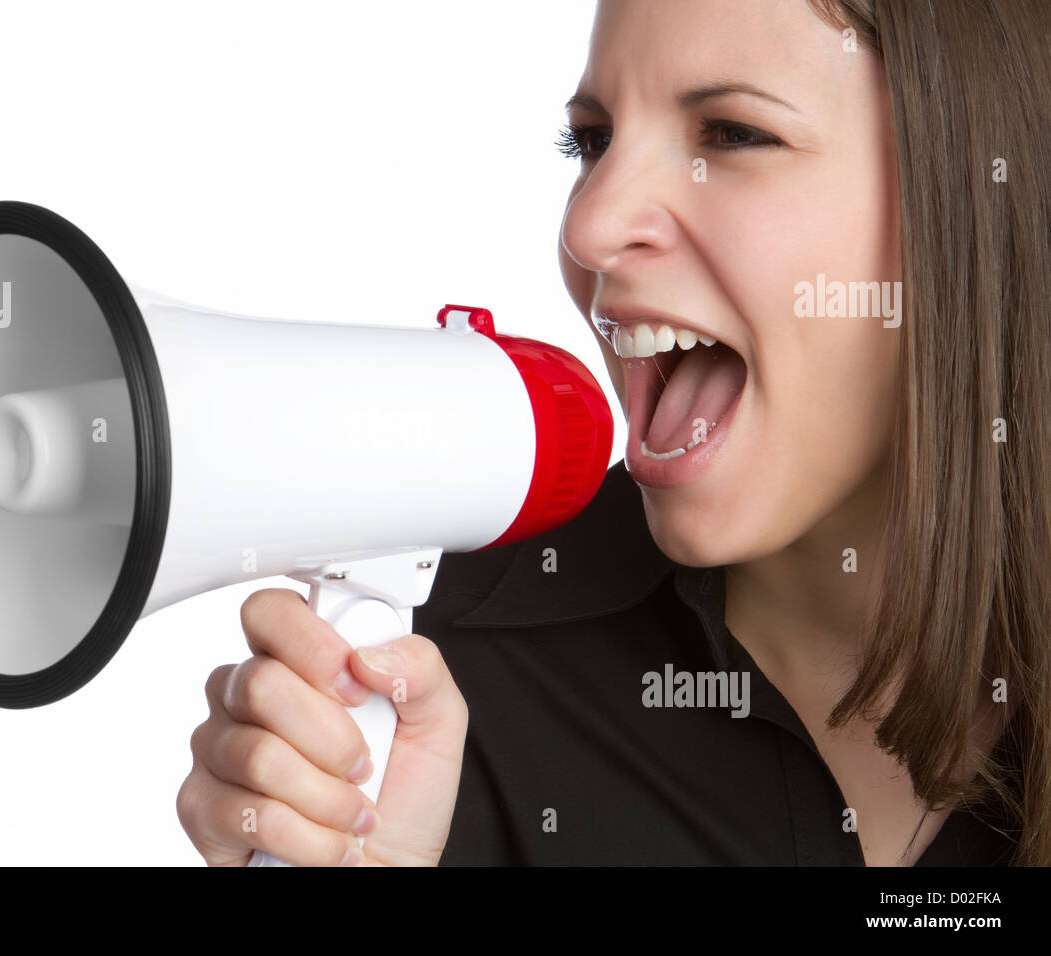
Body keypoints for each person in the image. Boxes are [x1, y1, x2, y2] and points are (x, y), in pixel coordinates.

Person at [176, 0, 1051, 866]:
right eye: (590, 141)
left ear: (972, 199)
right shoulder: (434, 684)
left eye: (733, 134)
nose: (587, 228)